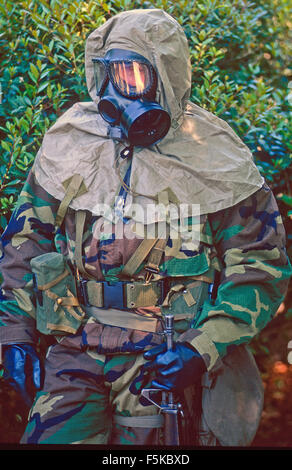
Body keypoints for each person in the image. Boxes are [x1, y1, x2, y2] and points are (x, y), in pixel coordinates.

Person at [0, 8, 291, 446]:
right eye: (117, 72)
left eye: (140, 73)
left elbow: (259, 267)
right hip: (75, 352)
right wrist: (15, 334)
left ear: (167, 75)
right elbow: (25, 241)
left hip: (163, 358)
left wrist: (203, 347)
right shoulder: (73, 139)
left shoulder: (214, 153)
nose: (127, 85)